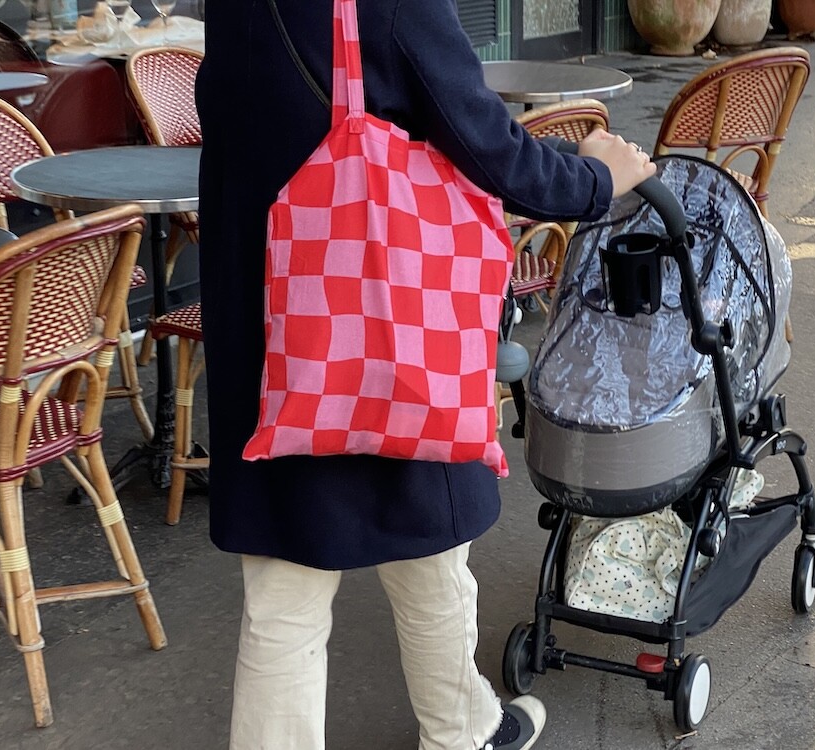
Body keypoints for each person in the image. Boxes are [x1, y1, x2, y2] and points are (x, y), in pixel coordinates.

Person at [195, 1, 655, 748]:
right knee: (431, 544)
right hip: (389, 317)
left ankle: (464, 722)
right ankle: (460, 732)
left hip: (273, 328)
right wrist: (597, 177)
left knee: (286, 592)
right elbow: (487, 149)